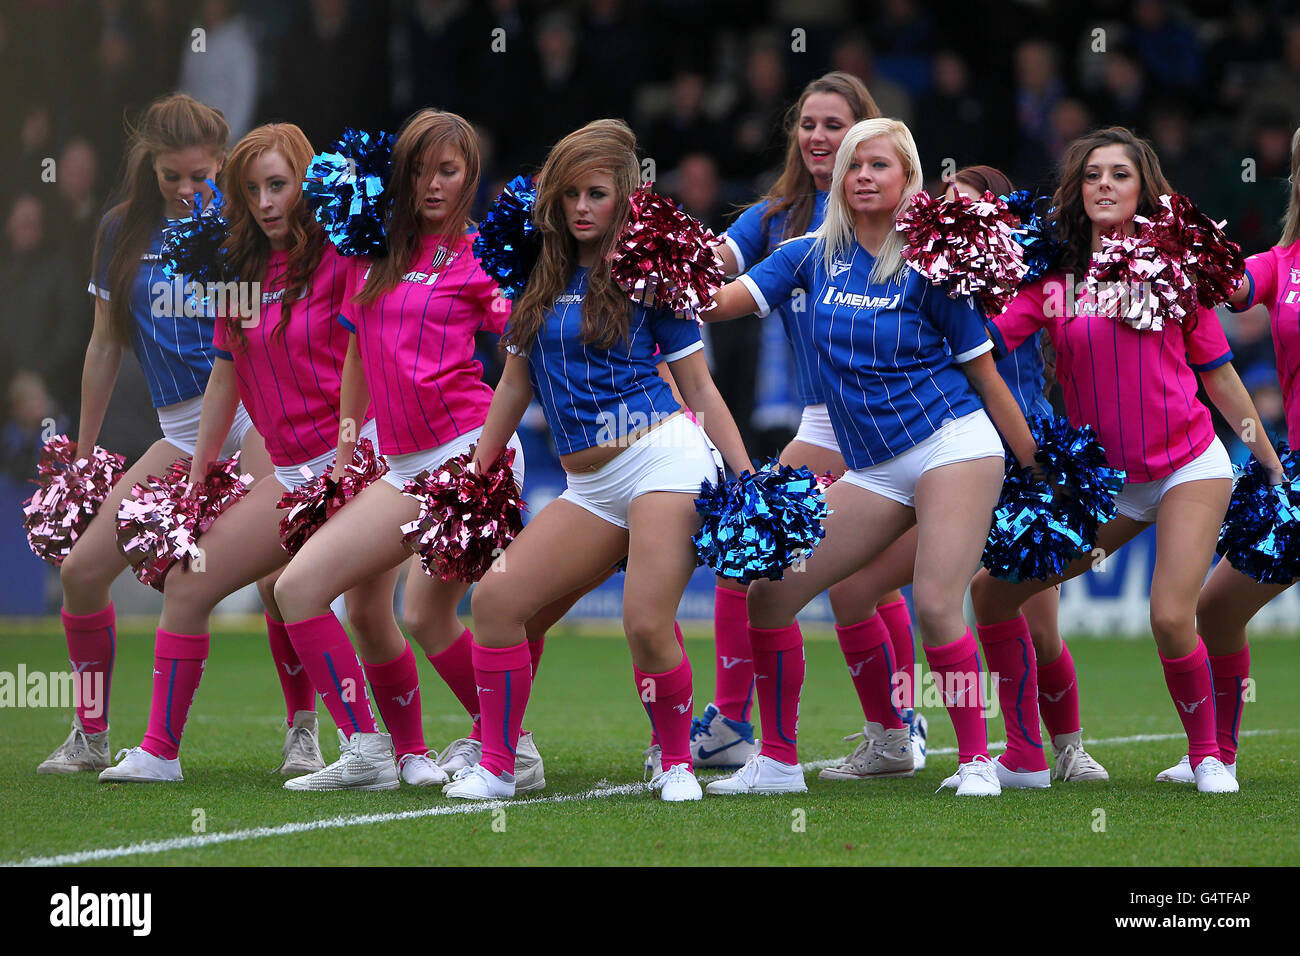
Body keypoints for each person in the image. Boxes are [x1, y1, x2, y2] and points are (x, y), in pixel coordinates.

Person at [701, 118, 1039, 796]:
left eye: (879, 165)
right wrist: (650, 278)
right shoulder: (809, 255)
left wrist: (1035, 468)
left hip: (953, 444)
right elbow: (717, 304)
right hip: (877, 464)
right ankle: (776, 763)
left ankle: (977, 762)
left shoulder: (931, 264)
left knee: (940, 604)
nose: (863, 176)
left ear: (906, 178)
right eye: (855, 165)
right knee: (771, 592)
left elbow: (985, 376)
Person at [96, 122, 424, 786]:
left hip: (358, 465)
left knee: (365, 612)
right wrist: (197, 472)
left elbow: (385, 348)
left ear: (307, 185)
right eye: (251, 190)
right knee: (188, 584)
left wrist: (353, 450)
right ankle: (160, 750)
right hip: (291, 471)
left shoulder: (344, 256)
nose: (267, 201)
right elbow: (225, 374)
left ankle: (406, 752)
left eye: (278, 185)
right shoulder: (238, 271)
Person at [971, 127, 1284, 794]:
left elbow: (1220, 377)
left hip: (1188, 466)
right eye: (1091, 175)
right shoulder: (1055, 285)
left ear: (1144, 189)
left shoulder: (1174, 274)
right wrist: (947, 294)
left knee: (1172, 616)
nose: (1104, 185)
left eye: (1119, 174)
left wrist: (1270, 464)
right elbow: (985, 348)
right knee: (991, 595)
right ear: (1077, 192)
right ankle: (1026, 756)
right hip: (1105, 487)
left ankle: (1208, 758)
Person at [458, 119, 753, 803]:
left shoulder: (650, 272)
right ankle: (499, 767)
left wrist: (743, 475)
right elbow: (512, 386)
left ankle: (676, 761)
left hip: (664, 459)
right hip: (588, 483)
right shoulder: (538, 272)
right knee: (498, 602)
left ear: (623, 196)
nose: (582, 207)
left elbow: (700, 385)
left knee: (645, 621)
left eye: (595, 193)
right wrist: (474, 475)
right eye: (569, 196)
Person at [268, 109, 557, 791]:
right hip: (398, 466)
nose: (433, 184)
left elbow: (527, 343)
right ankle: (373, 751)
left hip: (470, 455)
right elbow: (358, 364)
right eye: (421, 170)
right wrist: (344, 455)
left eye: (448, 171)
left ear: (470, 178)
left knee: (428, 613)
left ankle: (509, 749)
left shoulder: (483, 253)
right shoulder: (373, 256)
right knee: (304, 591)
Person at [812, 165, 1108, 784]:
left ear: (1003, 218)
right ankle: (893, 734)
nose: (953, 213)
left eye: (968, 204)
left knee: (1034, 620)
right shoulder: (923, 277)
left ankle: (1062, 747)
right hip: (945, 463)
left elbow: (1026, 340)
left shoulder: (1022, 280)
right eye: (945, 201)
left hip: (1017, 468)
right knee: (855, 588)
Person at [686, 71, 935, 777]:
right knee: (746, 551)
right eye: (809, 125)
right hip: (824, 422)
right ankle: (736, 724)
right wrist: (645, 265)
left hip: (897, 422)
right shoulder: (774, 218)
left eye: (836, 126)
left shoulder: (898, 215)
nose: (821, 138)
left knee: (865, 584)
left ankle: (896, 726)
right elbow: (714, 271)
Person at [38, 93, 277, 775]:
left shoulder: (247, 223)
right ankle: (88, 734)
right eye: (170, 175)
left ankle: (302, 730)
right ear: (150, 167)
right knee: (83, 573)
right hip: (178, 432)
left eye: (199, 174)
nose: (184, 188)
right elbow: (104, 346)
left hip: (255, 416)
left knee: (280, 578)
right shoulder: (121, 231)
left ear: (224, 163)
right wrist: (83, 456)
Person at [1174, 124, 1300, 785]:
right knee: (1214, 610)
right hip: (1296, 475)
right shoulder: (1284, 262)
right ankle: (1216, 753)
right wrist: (1175, 245)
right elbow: (1223, 284)